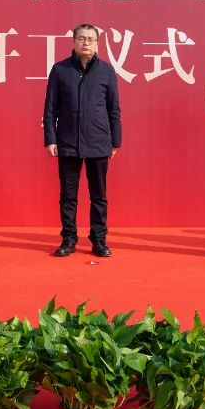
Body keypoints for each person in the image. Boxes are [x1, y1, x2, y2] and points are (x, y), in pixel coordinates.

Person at [43, 24, 122, 258]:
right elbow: (50, 108)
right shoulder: (60, 70)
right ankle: (69, 238)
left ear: (97, 43)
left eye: (90, 39)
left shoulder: (106, 71)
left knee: (99, 195)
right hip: (67, 141)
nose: (85, 43)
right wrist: (50, 138)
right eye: (81, 38)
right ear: (74, 42)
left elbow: (114, 109)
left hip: (99, 140)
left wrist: (115, 140)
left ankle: (99, 239)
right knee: (68, 195)